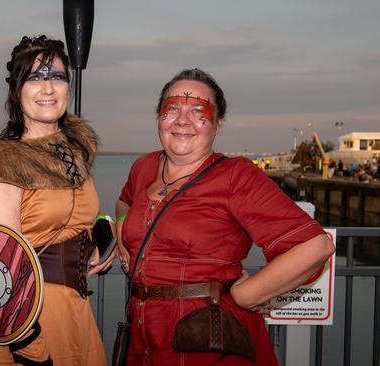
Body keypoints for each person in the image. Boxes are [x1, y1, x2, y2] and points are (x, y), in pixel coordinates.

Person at [114, 68, 335, 365]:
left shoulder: (236, 176)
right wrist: (122, 242)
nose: (182, 120)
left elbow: (315, 246)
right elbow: (124, 203)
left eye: (198, 111)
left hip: (208, 342)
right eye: (172, 109)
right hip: (143, 341)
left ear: (218, 124)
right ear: (159, 117)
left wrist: (249, 293)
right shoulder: (144, 167)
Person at [0, 35, 110, 365]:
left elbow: (78, 217)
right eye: (34, 77)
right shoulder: (6, 160)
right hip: (27, 320)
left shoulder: (76, 151)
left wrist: (104, 234)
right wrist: (28, 346)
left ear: (68, 86)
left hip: (76, 311)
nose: (48, 88)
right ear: (15, 89)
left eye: (57, 76)